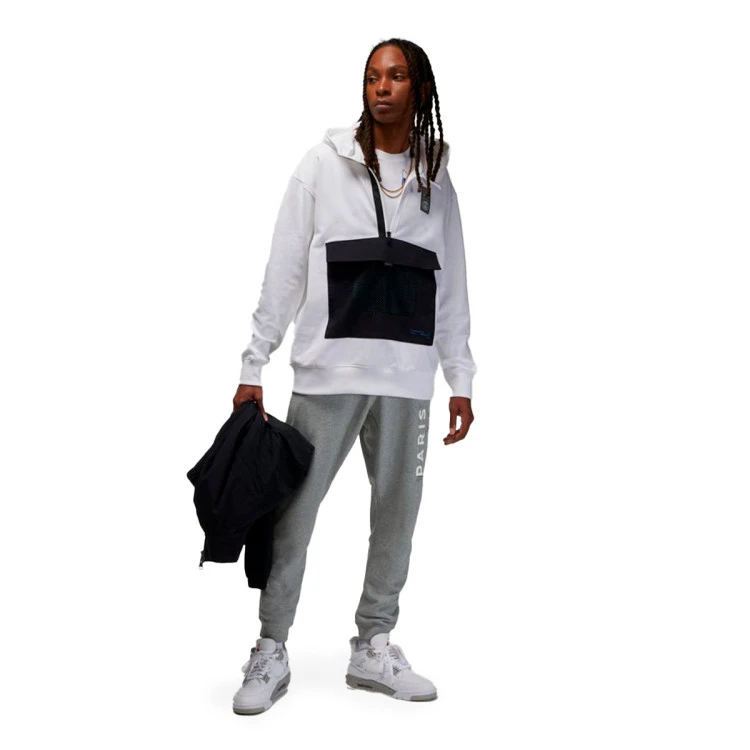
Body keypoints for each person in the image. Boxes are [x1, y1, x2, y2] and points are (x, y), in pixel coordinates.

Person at [230, 37, 477, 714]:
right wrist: (255, 361)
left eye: (396, 76)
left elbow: (452, 283)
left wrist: (460, 377)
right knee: (293, 514)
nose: (382, 87)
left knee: (398, 515)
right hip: (328, 371)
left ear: (418, 90)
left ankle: (374, 645)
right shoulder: (323, 164)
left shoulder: (435, 181)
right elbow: (284, 268)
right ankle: (271, 645)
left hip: (407, 376)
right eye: (372, 76)